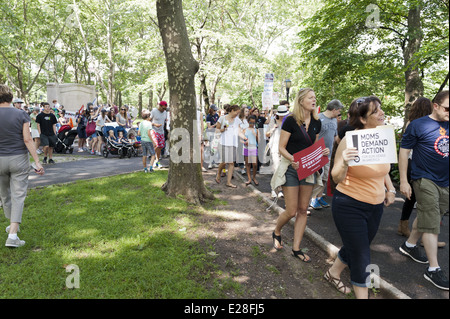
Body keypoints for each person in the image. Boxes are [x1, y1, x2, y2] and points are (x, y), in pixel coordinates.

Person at [324, 96, 395, 298]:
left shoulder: (381, 136)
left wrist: (390, 189)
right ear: (363, 119)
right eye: (376, 111)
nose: (382, 113)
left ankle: (333, 273)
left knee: (357, 245)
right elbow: (336, 177)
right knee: (362, 254)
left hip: (375, 207)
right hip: (349, 206)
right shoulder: (350, 140)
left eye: (380, 109)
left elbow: (383, 169)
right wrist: (345, 162)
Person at [398, 90, 449, 291]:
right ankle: (433, 269)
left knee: (433, 216)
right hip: (423, 178)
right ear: (435, 106)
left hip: (445, 181)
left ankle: (409, 245)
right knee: (431, 222)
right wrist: (403, 180)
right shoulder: (418, 125)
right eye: (447, 108)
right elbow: (404, 152)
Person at [271, 88, 329, 263]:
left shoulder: (317, 123)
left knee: (303, 210)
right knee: (291, 210)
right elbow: (282, 148)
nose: (314, 100)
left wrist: (322, 151)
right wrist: (293, 158)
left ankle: (296, 248)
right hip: (291, 168)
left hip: (308, 170)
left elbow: (313, 146)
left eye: (315, 97)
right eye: (311, 97)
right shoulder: (290, 121)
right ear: (301, 100)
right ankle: (276, 231)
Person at [0, 84, 44, 248]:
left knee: (4, 195)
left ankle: (12, 227)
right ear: (11, 98)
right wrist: (37, 162)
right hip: (18, 159)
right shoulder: (21, 114)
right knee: (18, 196)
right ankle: (12, 234)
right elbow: (27, 140)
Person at [397, 97, 432, 237]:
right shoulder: (423, 125)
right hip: (418, 163)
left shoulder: (411, 123)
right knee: (424, 201)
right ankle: (424, 236)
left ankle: (403, 226)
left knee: (412, 198)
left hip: (411, 163)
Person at [310, 99, 344, 210]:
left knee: (324, 178)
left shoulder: (334, 121)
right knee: (317, 177)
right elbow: (311, 137)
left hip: (328, 155)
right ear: (334, 109)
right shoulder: (318, 118)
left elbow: (335, 137)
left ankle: (319, 197)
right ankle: (313, 198)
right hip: (317, 154)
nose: (339, 113)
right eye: (339, 110)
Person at [215, 104, 244, 188]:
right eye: (236, 112)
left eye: (238, 113)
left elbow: (239, 132)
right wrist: (222, 130)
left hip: (233, 144)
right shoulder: (222, 118)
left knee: (231, 163)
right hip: (223, 142)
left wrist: (245, 138)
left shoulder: (237, 120)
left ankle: (228, 182)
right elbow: (217, 130)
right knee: (224, 161)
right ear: (232, 110)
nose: (237, 114)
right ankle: (218, 174)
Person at [266, 103, 289, 198]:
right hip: (275, 147)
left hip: (285, 148)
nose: (283, 116)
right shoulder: (273, 121)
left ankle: (280, 189)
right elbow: (266, 134)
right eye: (281, 114)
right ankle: (274, 189)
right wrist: (272, 129)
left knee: (283, 169)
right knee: (276, 168)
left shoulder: (287, 122)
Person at [150, 101, 169, 168]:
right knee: (156, 145)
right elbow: (148, 121)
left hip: (161, 131)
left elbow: (165, 121)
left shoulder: (165, 113)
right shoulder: (154, 111)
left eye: (165, 109)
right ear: (160, 106)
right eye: (163, 108)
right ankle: (153, 160)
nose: (164, 110)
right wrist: (155, 124)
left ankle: (157, 161)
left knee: (160, 147)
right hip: (154, 130)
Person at [243, 115, 259, 186]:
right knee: (248, 164)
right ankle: (249, 178)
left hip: (254, 148)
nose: (252, 124)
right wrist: (245, 142)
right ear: (248, 122)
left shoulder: (256, 130)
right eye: (250, 123)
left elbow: (259, 141)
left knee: (255, 164)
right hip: (247, 148)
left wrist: (255, 135)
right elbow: (242, 139)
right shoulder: (245, 130)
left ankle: (254, 177)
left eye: (253, 123)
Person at [206, 104, 220, 169]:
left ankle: (214, 162)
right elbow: (209, 127)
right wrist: (215, 124)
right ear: (211, 110)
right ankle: (210, 163)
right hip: (210, 133)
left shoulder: (217, 115)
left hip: (216, 133)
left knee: (215, 148)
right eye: (214, 110)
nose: (215, 111)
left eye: (215, 110)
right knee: (212, 147)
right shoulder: (208, 117)